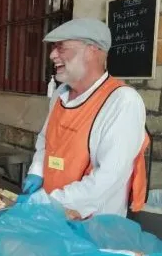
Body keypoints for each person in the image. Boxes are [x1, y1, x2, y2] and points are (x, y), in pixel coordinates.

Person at [18, 18, 149, 220]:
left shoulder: (123, 102)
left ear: (92, 50)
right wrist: (37, 170)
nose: (53, 55)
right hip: (51, 217)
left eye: (61, 47)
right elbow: (47, 139)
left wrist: (49, 202)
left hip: (93, 225)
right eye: (54, 48)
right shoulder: (60, 94)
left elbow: (107, 178)